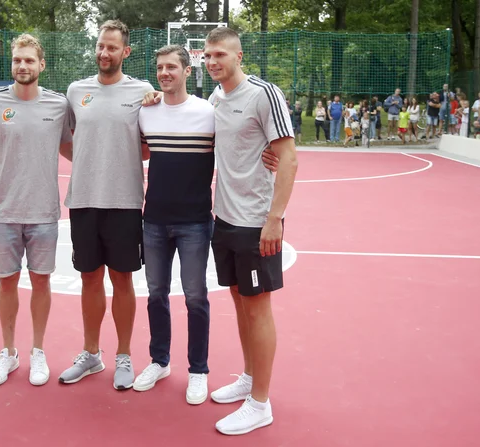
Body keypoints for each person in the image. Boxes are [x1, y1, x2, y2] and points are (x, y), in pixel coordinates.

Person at [204, 27, 297, 436]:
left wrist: (274, 217)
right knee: (240, 300)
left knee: (258, 307)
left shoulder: (264, 93)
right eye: (207, 56)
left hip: (257, 221)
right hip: (224, 218)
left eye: (220, 55)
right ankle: (247, 377)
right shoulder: (214, 99)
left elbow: (289, 157)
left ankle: (261, 403)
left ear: (239, 56)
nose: (212, 62)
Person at [0, 33, 72, 387]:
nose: (23, 66)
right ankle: (9, 352)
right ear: (11, 64)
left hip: (44, 212)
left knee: (41, 283)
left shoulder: (59, 105)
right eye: (17, 60)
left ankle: (37, 351)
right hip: (4, 213)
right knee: (7, 282)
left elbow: (76, 149)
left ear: (41, 65)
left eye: (29, 60)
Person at [58, 20, 155, 390]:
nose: (104, 53)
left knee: (122, 279)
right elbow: (65, 140)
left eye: (112, 47)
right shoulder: (76, 91)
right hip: (83, 199)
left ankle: (125, 355)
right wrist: (88, 161)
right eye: (100, 46)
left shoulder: (144, 91)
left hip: (125, 201)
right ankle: (91, 354)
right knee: (89, 278)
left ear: (125, 52)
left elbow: (149, 145)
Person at [132, 45, 215, 404]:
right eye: (160, 67)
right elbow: (138, 151)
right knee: (155, 295)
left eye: (171, 67)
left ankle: (198, 370)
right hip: (154, 220)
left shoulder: (208, 113)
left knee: (196, 298)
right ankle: (159, 360)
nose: (164, 72)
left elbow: (236, 146)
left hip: (196, 221)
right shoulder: (146, 113)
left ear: (186, 70)